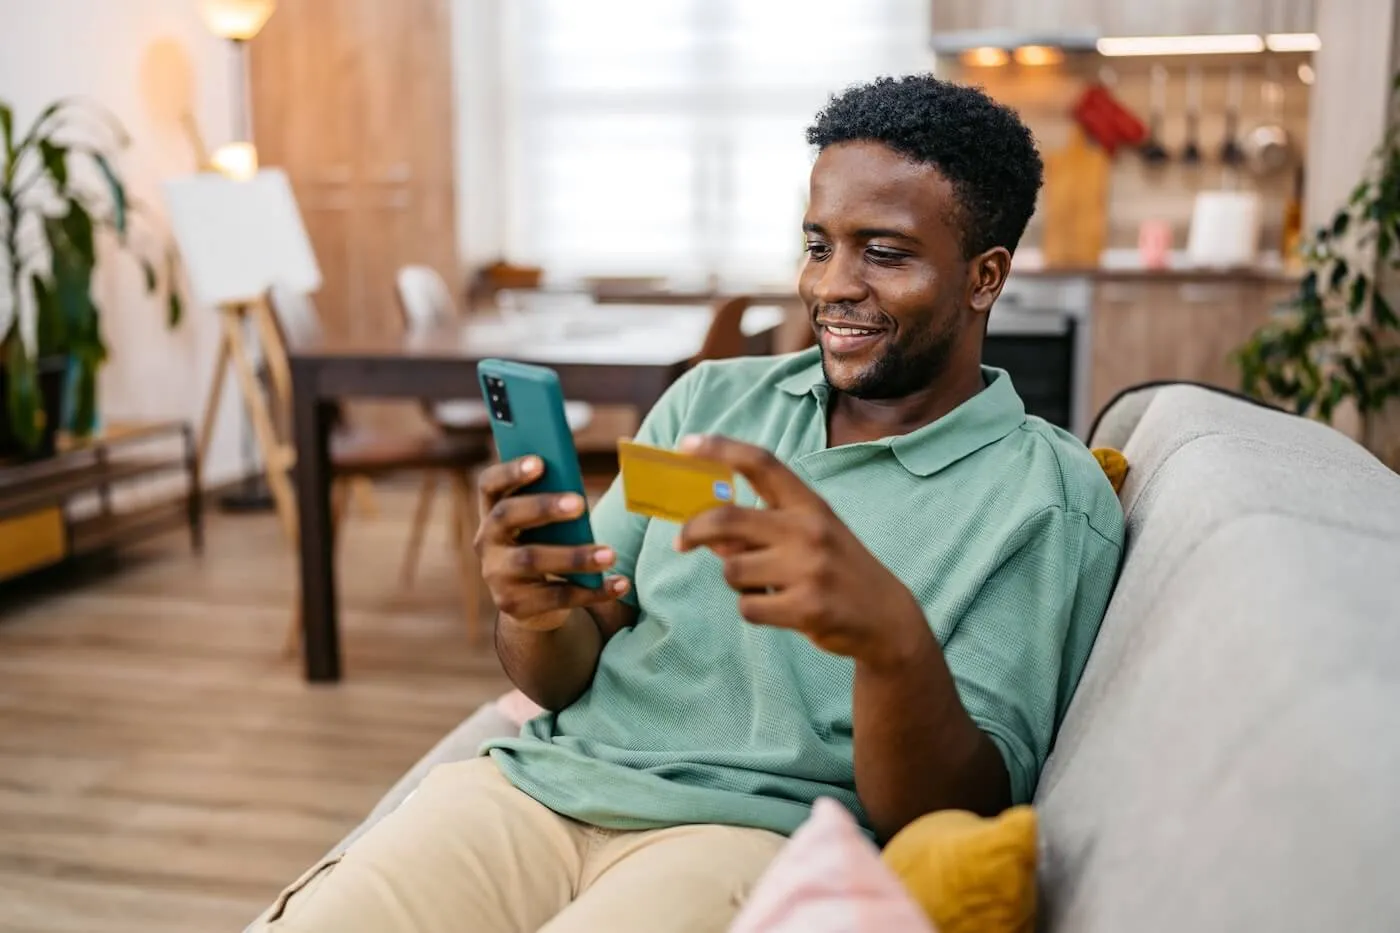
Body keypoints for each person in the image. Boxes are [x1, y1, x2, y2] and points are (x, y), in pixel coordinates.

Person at [254, 74, 1125, 933]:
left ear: (985, 277)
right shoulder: (710, 401)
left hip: (746, 834)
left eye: (885, 252)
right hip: (531, 791)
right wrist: (531, 609)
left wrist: (889, 642)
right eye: (818, 244)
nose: (831, 286)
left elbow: (952, 810)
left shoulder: (1045, 496)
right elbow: (565, 667)